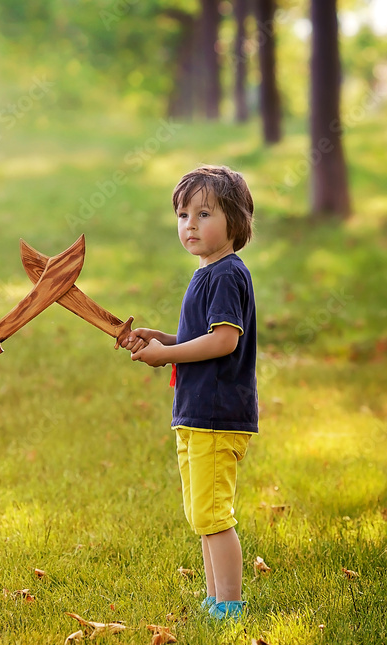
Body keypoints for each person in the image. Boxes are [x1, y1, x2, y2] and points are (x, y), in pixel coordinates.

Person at [121, 165, 258, 621]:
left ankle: (230, 604)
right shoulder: (207, 274)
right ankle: (215, 598)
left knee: (214, 514)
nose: (190, 225)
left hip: (217, 415)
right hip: (198, 412)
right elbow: (202, 337)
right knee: (202, 514)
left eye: (204, 214)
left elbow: (224, 341)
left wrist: (168, 356)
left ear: (235, 221)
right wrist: (166, 340)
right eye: (183, 215)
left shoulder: (226, 275)